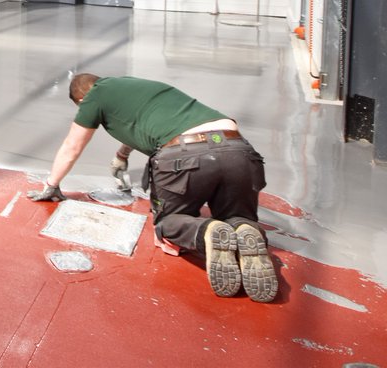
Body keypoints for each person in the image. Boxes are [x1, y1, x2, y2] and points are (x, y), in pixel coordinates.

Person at [27, 73, 277, 303]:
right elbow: (141, 120)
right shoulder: (131, 85)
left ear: (82, 99)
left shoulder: (92, 97)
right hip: (237, 149)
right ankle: (244, 228)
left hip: (185, 154)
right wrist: (122, 154)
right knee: (237, 218)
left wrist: (52, 185)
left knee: (169, 224)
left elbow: (72, 146)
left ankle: (208, 232)